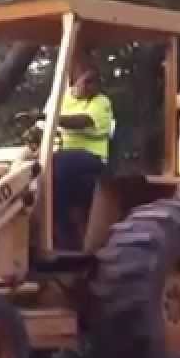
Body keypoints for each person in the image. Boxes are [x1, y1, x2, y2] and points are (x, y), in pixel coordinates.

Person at [39, 62, 113, 250]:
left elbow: (83, 121)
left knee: (57, 164)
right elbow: (42, 126)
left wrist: (50, 118)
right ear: (74, 80)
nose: (91, 87)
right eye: (87, 81)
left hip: (93, 160)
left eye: (95, 83)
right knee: (37, 170)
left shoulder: (101, 102)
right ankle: (47, 227)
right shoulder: (61, 99)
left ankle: (64, 231)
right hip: (61, 160)